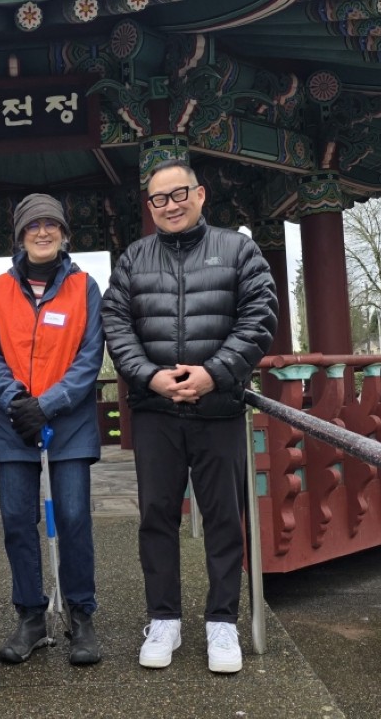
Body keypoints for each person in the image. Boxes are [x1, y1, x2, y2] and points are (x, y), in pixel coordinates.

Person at [100, 159, 278, 674]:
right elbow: (116, 322)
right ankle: (164, 618)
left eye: (179, 194)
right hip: (155, 411)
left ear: (200, 195)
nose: (171, 205)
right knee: (156, 516)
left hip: (219, 408)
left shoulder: (239, 250)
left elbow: (259, 316)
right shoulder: (134, 258)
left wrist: (214, 374)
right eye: (159, 198)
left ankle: (222, 622)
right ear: (150, 206)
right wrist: (148, 376)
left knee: (224, 518)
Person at [0, 194, 105, 666]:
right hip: (15, 424)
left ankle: (80, 613)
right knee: (16, 519)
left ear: (64, 233)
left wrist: (48, 404)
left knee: (73, 518)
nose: (43, 232)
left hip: (69, 425)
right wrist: (15, 400)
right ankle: (31, 614)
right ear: (20, 235)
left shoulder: (84, 287)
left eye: (52, 223)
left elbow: (89, 356)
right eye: (33, 225)